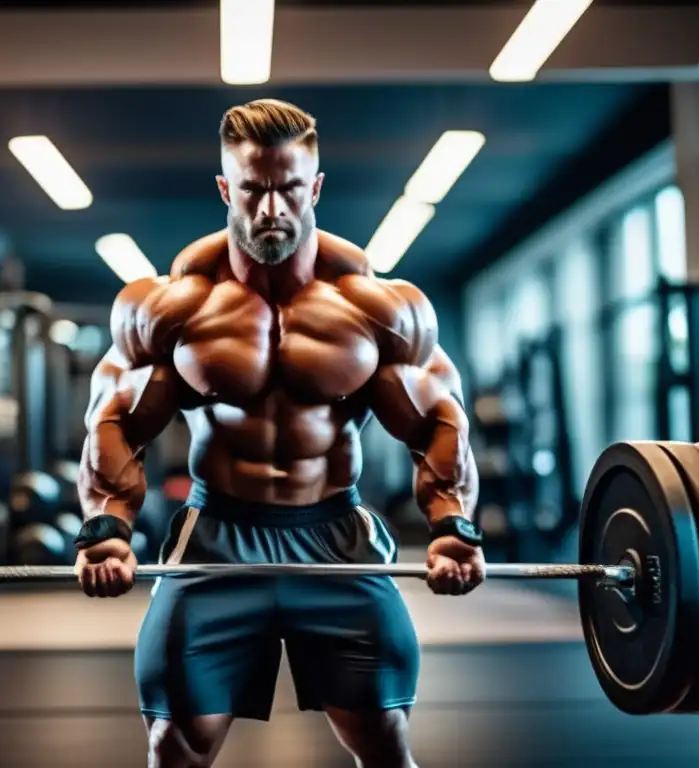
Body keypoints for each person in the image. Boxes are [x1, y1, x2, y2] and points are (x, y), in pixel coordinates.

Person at [75, 98, 483, 768]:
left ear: (315, 186)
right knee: (174, 745)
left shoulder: (375, 306)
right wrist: (107, 529)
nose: (270, 211)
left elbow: (441, 420)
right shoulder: (172, 305)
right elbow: (113, 421)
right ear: (224, 188)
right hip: (215, 537)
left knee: (384, 740)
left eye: (289, 189)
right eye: (252, 190)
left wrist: (451, 525)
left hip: (336, 537)